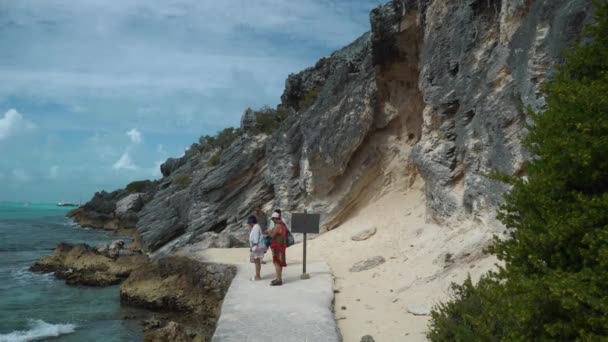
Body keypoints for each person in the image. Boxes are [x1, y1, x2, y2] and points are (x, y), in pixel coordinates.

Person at [267, 211, 287, 286]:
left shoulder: (278, 225)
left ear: (275, 218)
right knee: (279, 262)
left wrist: (269, 232)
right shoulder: (283, 225)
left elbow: (272, 236)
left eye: (273, 219)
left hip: (277, 246)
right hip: (281, 245)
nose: (272, 220)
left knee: (277, 262)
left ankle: (278, 280)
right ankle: (279, 278)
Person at [247, 215, 265, 281]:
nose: (248, 224)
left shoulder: (256, 227)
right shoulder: (256, 226)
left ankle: (258, 276)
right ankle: (257, 275)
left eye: (249, 223)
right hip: (258, 247)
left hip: (256, 247)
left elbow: (256, 240)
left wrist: (252, 248)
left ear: (251, 222)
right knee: (257, 262)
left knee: (257, 262)